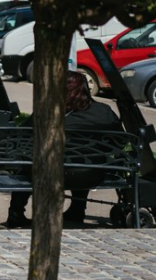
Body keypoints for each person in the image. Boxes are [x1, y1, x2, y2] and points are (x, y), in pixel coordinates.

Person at [6, 69, 120, 228]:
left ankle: (16, 213)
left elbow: (24, 138)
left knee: (32, 165)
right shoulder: (104, 112)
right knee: (83, 160)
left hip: (47, 174)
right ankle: (77, 210)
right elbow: (119, 141)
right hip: (91, 174)